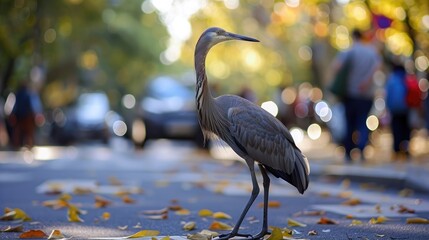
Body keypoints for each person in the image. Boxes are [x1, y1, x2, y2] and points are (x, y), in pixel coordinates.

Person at [332, 29, 382, 162]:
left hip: (350, 94)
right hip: (367, 94)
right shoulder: (371, 52)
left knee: (349, 123)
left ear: (353, 37)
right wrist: (366, 82)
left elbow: (336, 67)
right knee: (363, 122)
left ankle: (349, 152)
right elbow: (377, 67)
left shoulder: (348, 52)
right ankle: (362, 149)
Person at [385, 62, 410, 159]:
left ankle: (396, 149)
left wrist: (388, 107)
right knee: (406, 129)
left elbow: (387, 95)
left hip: (394, 109)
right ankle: (405, 147)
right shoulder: (406, 79)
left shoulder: (391, 80)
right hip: (406, 108)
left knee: (396, 129)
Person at [8, 81, 43, 148]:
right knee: (29, 133)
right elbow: (33, 105)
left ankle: (16, 145)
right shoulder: (29, 94)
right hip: (28, 116)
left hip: (19, 116)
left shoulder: (17, 94)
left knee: (17, 132)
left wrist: (13, 114)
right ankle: (30, 145)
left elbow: (14, 106)